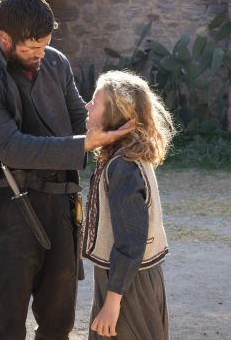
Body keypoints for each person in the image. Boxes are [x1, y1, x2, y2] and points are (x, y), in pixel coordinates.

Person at [0, 0, 133, 339]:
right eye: (31, 48)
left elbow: (79, 118)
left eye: (44, 45)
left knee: (59, 322)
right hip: (9, 209)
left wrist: (122, 130)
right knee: (7, 325)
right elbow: (11, 147)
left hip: (61, 204)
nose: (40, 54)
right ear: (5, 38)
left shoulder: (55, 62)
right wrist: (83, 144)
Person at [81, 70, 174, 339]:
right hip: (127, 279)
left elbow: (131, 241)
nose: (87, 106)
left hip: (129, 286)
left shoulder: (123, 166)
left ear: (115, 114)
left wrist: (112, 302)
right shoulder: (125, 158)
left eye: (94, 102)